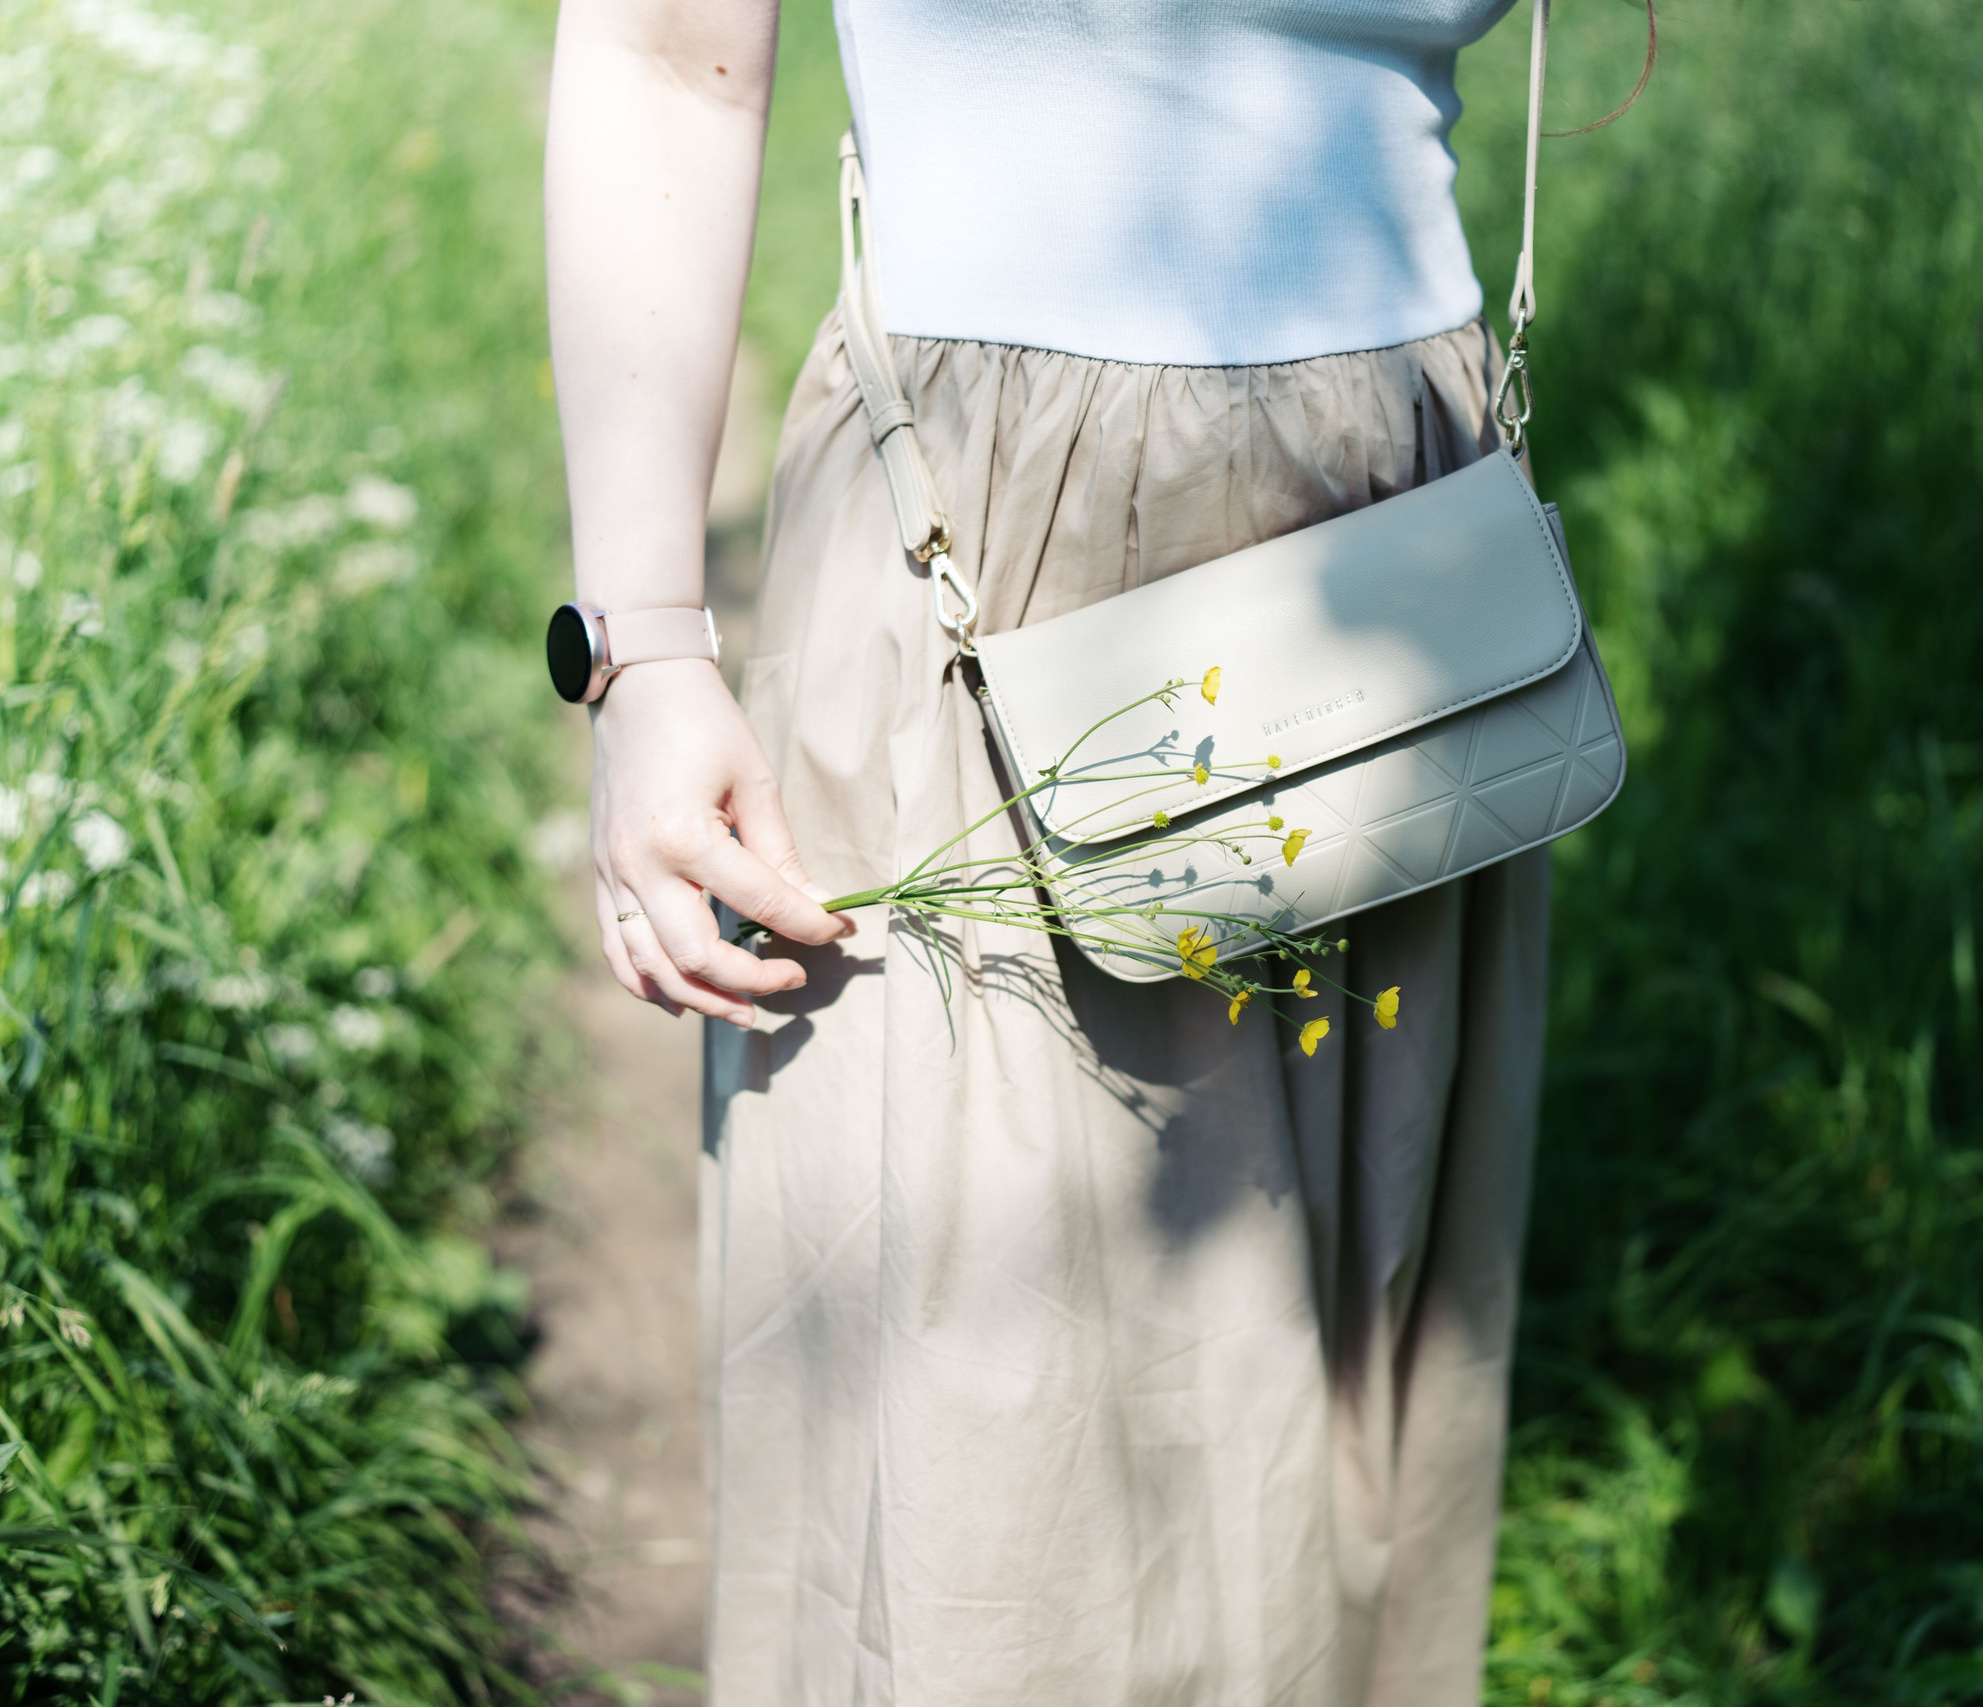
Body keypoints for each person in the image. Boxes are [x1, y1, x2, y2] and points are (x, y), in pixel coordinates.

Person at [544, 1, 1569, 1699]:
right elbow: (668, 49)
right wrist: (642, 646)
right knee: (981, 1483)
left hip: (1397, 585)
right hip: (983, 555)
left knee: (1325, 1463)